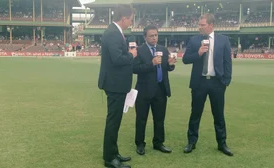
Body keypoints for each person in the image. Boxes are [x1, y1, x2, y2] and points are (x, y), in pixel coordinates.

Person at [182, 13, 233, 156]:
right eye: (199, 24)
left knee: (219, 115)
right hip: (199, 83)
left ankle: (222, 143)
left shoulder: (223, 40)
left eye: (202, 25)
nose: (200, 27)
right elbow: (185, 59)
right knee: (195, 114)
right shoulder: (194, 40)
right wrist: (198, 53)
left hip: (217, 83)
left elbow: (227, 63)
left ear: (211, 25)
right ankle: (191, 142)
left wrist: (226, 81)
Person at [98, 4, 137, 168]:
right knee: (113, 121)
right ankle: (109, 158)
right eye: (131, 19)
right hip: (114, 85)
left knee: (115, 120)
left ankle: (114, 152)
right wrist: (131, 55)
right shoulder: (113, 33)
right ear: (124, 18)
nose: (131, 22)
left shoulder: (115, 32)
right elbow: (117, 59)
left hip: (117, 84)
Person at [133, 25, 176, 155]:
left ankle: (158, 142)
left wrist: (170, 64)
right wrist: (151, 64)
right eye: (151, 35)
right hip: (144, 90)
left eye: (156, 35)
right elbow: (135, 69)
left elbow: (167, 68)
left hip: (160, 89)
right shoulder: (139, 50)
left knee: (159, 119)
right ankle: (140, 144)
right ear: (145, 36)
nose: (154, 38)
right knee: (141, 119)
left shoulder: (163, 49)